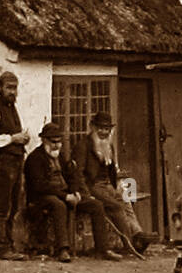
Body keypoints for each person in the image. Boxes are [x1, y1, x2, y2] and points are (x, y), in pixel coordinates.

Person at [23, 123, 121, 262]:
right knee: (59, 205)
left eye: (59, 142)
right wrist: (65, 196)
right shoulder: (35, 158)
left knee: (96, 205)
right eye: (53, 142)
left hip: (64, 194)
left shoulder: (60, 157)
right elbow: (40, 186)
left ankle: (102, 249)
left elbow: (72, 175)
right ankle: (63, 249)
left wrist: (75, 192)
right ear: (44, 140)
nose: (57, 145)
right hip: (42, 197)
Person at [71, 111, 150, 254]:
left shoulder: (108, 145)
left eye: (106, 129)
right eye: (100, 128)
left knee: (126, 200)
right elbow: (78, 173)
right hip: (93, 186)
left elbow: (112, 169)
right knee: (116, 207)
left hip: (108, 185)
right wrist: (86, 194)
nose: (103, 132)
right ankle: (129, 245)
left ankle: (138, 235)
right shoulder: (83, 146)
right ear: (93, 128)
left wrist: (118, 185)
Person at [0, 71, 31, 259]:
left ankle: (8, 244)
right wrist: (12, 138)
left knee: (14, 205)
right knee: (2, 206)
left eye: (15, 87)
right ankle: (0, 247)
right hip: (1, 163)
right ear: (0, 88)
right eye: (9, 87)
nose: (12, 91)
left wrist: (23, 139)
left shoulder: (12, 107)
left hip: (16, 162)